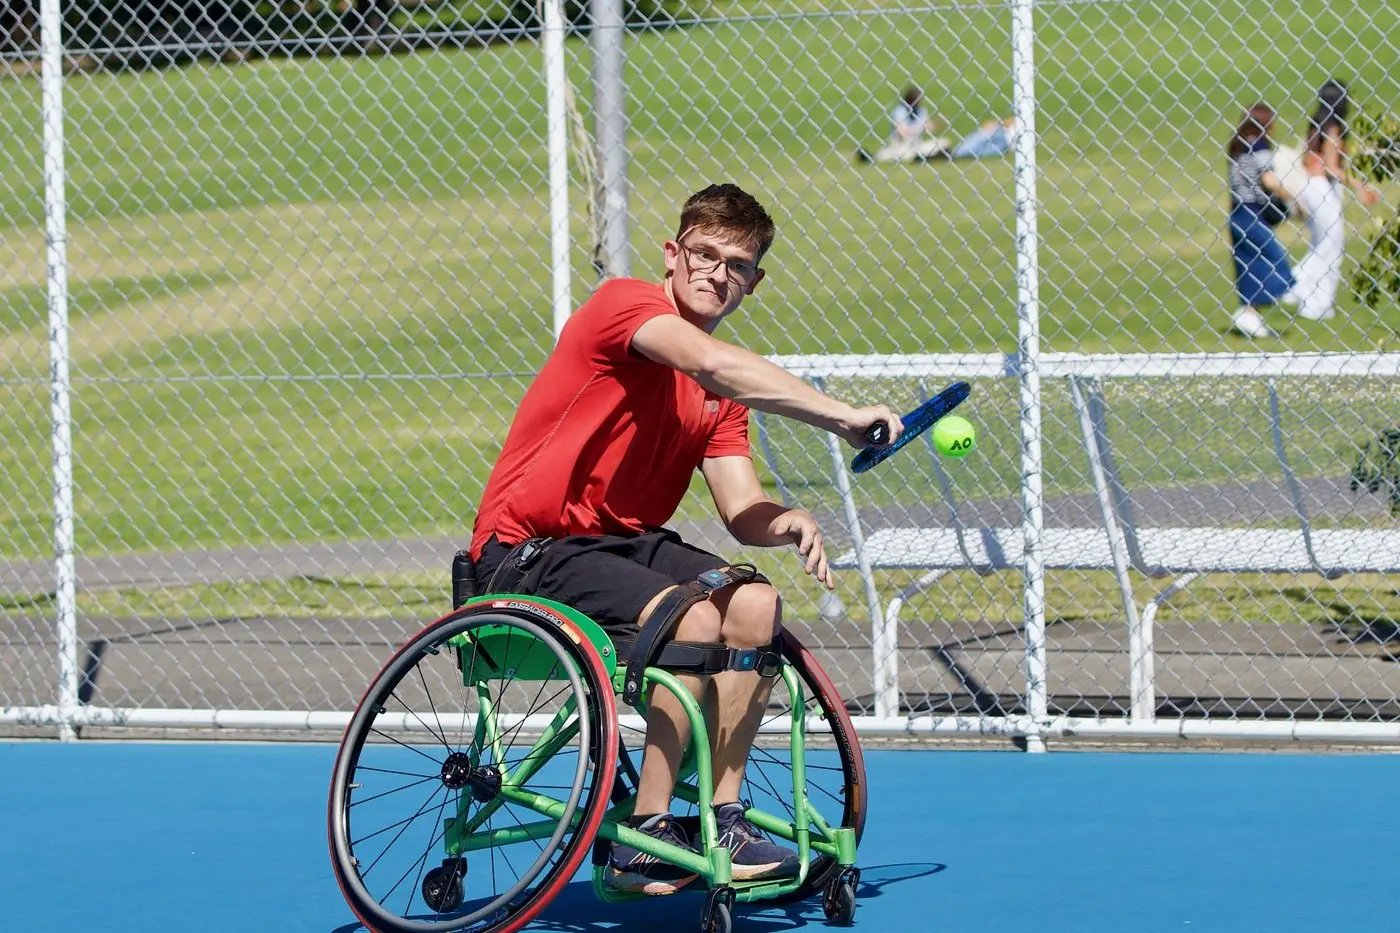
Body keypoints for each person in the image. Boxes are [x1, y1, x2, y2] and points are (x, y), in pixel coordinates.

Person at [465, 183, 904, 896]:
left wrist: (783, 519)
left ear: (753, 283)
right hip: (526, 551)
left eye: (736, 264)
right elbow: (711, 362)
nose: (716, 272)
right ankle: (645, 835)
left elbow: (740, 507)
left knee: (755, 602)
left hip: (625, 544)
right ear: (673, 254)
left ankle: (723, 814)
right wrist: (842, 417)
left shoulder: (718, 391)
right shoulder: (625, 308)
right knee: (694, 615)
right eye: (704, 253)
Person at [1281, 79, 1381, 322]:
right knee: (1331, 247)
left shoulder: (1316, 123)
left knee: (1323, 243)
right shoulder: (1333, 127)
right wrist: (1359, 186)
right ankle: (1314, 302)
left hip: (1311, 187)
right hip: (1322, 188)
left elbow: (1309, 159)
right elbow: (1330, 166)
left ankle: (1294, 289)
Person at [1225, 103, 1296, 338]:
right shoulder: (1259, 146)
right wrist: (1293, 197)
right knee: (1276, 261)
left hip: (1236, 213)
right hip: (1253, 212)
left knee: (1249, 266)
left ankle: (1249, 313)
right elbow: (1268, 180)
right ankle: (1288, 293)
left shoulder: (1237, 147)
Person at [856, 85, 951, 164]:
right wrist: (920, 128)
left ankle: (925, 155)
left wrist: (941, 122)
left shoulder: (922, 111)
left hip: (918, 144)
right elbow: (903, 132)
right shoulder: (899, 111)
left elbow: (930, 128)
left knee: (943, 142)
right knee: (898, 154)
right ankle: (871, 157)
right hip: (902, 145)